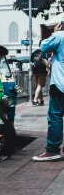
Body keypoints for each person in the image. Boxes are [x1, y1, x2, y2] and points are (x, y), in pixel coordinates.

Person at [33, 21, 64, 161]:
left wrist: (55, 32)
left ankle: (52, 150)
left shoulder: (60, 36)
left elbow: (44, 47)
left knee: (55, 117)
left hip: (60, 84)